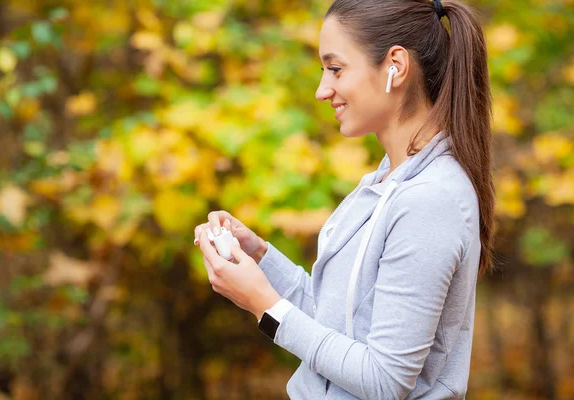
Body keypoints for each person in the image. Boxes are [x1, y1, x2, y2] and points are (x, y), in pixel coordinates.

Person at [194, 0, 496, 398]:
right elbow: (336, 323)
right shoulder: (383, 181)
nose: (322, 90)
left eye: (335, 69)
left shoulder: (430, 199)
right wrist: (261, 259)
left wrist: (264, 306)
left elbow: (385, 381)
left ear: (396, 66)